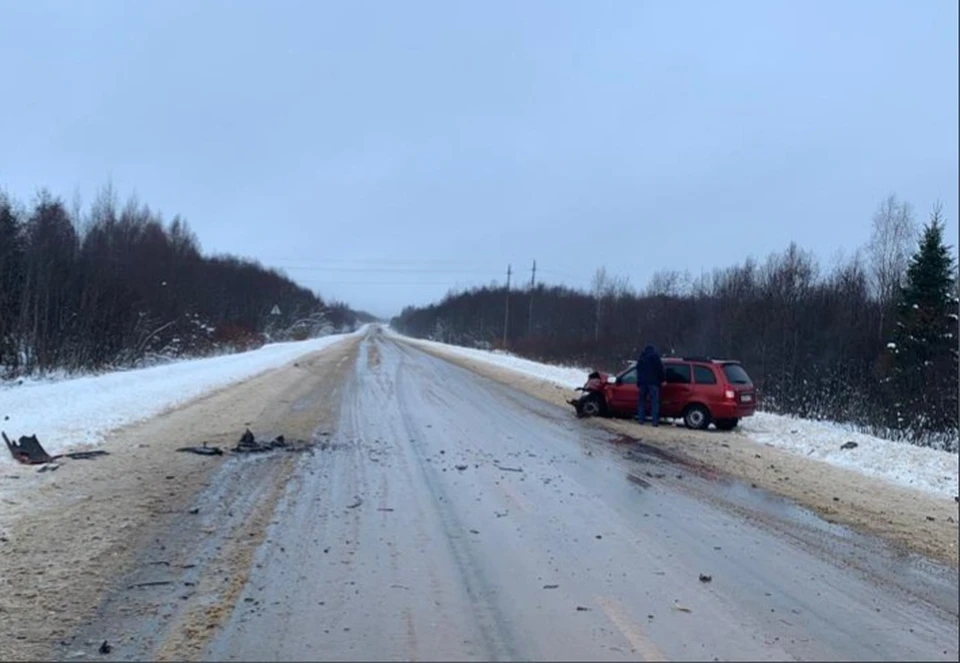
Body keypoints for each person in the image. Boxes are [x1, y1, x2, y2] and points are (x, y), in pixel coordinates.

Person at [636, 344, 664, 426]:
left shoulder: (642, 357)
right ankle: (654, 422)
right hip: (653, 383)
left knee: (641, 402)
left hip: (643, 383)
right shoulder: (655, 357)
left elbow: (638, 369)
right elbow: (660, 369)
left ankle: (641, 420)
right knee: (654, 402)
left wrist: (638, 381)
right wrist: (662, 380)